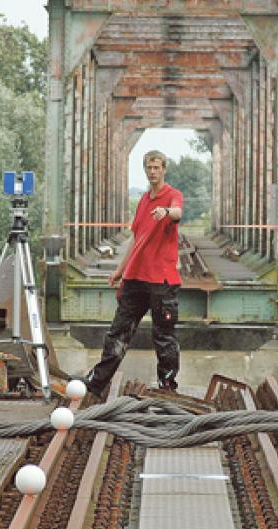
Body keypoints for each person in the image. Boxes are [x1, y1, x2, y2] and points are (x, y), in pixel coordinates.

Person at [84, 150, 184, 396]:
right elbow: (136, 239)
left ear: (164, 169)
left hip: (161, 281)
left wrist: (166, 213)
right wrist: (119, 271)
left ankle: (167, 386)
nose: (153, 172)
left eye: (157, 167)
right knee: (118, 332)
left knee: (164, 336)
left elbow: (178, 212)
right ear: (145, 169)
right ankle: (97, 383)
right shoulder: (143, 201)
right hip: (135, 278)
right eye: (149, 167)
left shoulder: (172, 196)